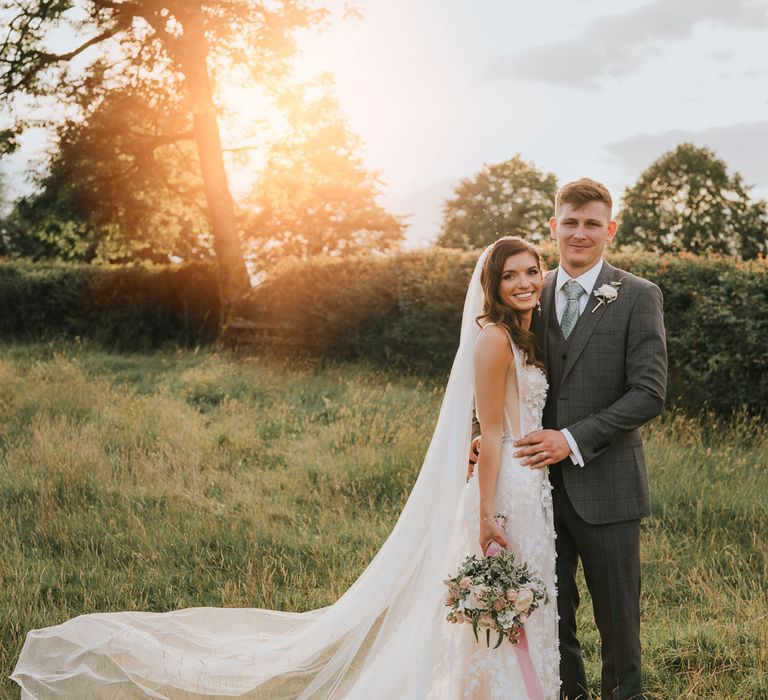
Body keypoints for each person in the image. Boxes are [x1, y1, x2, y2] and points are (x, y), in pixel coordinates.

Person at [12, 238, 558, 698]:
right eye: (511, 275)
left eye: (533, 270)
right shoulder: (493, 337)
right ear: (493, 284)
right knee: (499, 611)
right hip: (505, 488)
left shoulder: (526, 335)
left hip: (531, 485)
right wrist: (486, 514)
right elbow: (489, 433)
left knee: (521, 605)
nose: (526, 281)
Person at [471, 178, 667, 700]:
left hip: (608, 488)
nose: (580, 234)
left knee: (619, 625)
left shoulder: (639, 297)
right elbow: (503, 373)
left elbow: (649, 392)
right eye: (571, 223)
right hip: (535, 493)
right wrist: (480, 436)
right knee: (552, 621)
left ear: (610, 229)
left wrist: (572, 439)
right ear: (554, 226)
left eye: (592, 224)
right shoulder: (530, 289)